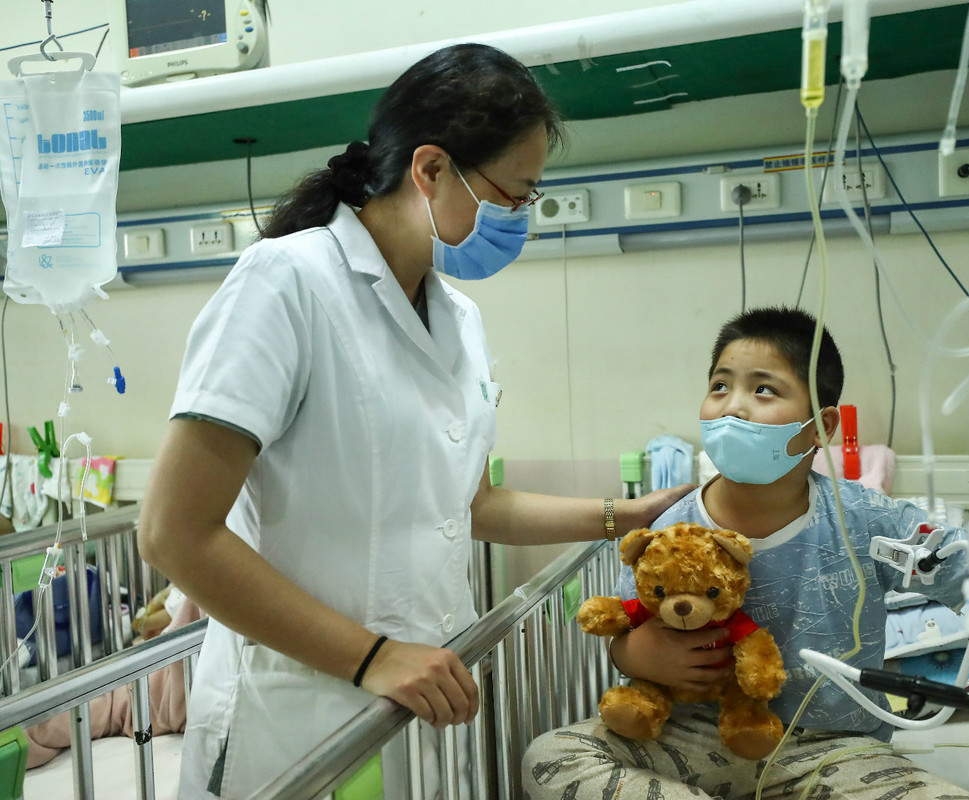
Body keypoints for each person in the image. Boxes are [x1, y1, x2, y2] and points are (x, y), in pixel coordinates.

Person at [137, 43, 689, 800]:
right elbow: (173, 532)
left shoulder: (458, 318)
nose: (520, 218)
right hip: (299, 712)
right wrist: (372, 656)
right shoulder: (285, 284)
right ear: (430, 169)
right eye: (513, 195)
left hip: (421, 697)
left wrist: (621, 516)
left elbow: (472, 505)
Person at [522, 306, 969, 800]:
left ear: (819, 427)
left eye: (764, 389)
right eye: (720, 384)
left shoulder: (866, 522)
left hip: (831, 752)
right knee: (552, 758)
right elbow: (626, 629)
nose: (733, 407)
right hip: (692, 739)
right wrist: (633, 655)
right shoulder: (671, 526)